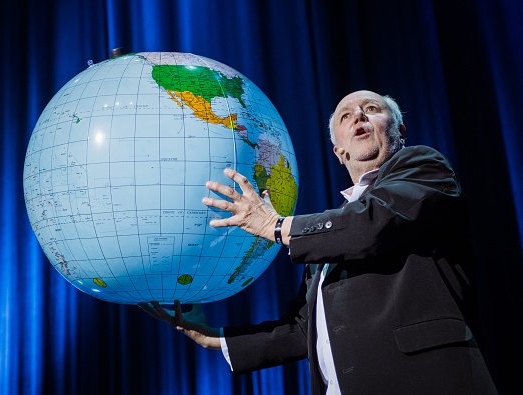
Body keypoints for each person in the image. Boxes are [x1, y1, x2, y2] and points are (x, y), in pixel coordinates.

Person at [140, 90, 497, 394]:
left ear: (399, 129)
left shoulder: (424, 168)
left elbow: (373, 224)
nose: (358, 114)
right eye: (345, 116)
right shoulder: (331, 234)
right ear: (339, 151)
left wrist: (276, 226)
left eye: (372, 109)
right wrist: (212, 336)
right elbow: (302, 330)